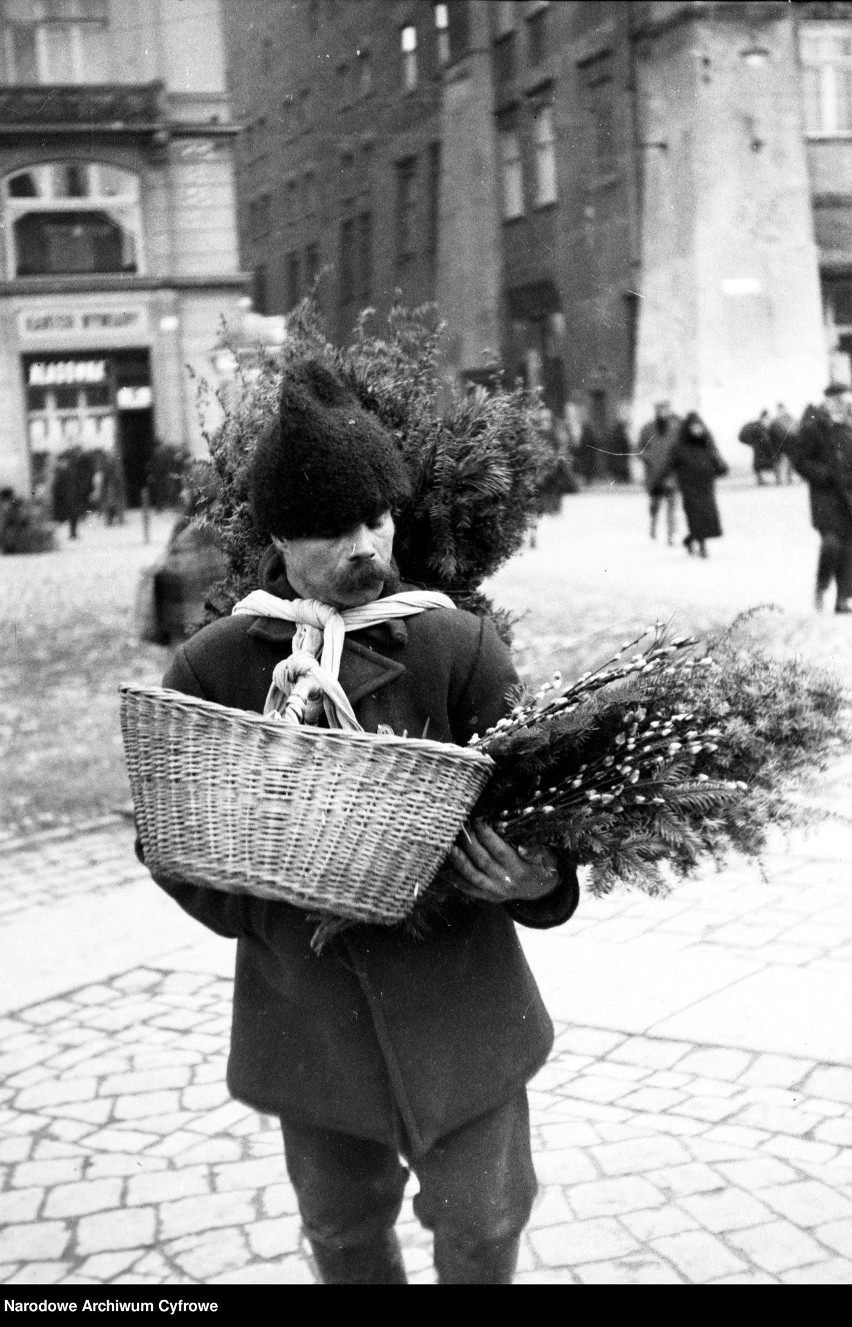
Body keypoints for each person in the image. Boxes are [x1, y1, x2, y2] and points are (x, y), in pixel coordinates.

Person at [137, 359, 579, 1285]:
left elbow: (544, 808)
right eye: (334, 529)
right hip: (309, 1007)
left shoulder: (458, 646)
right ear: (277, 535)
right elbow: (166, 836)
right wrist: (265, 908)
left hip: (461, 1001)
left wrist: (539, 879)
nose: (365, 545)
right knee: (342, 1234)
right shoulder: (216, 666)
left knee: (486, 1220)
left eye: (376, 518)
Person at [791, 384, 852, 613]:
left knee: (848, 548)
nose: (841, 404)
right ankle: (821, 585)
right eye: (836, 400)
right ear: (827, 401)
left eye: (844, 400)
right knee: (832, 544)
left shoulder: (848, 426)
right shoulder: (814, 428)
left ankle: (843, 598)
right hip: (824, 496)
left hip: (848, 496)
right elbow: (799, 460)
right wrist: (823, 474)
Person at [660, 412, 728, 558]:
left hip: (706, 486)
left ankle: (690, 540)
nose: (697, 430)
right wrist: (664, 480)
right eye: (694, 427)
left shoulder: (706, 445)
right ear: (688, 429)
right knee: (695, 516)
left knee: (707, 516)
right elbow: (669, 465)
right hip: (689, 487)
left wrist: (716, 469)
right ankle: (702, 546)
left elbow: (719, 465)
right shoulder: (679, 447)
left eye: (699, 427)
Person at [637, 399, 681, 543]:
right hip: (653, 473)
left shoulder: (676, 428)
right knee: (655, 504)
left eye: (665, 410)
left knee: (671, 503)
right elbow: (639, 449)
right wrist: (647, 457)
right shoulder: (647, 428)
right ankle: (653, 526)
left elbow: (682, 447)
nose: (662, 413)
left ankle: (670, 535)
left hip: (670, 472)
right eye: (660, 410)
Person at [738, 410, 782, 485]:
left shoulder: (756, 426)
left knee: (758, 466)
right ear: (764, 417)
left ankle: (761, 481)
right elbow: (766, 441)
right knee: (772, 463)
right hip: (762, 450)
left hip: (758, 450)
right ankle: (777, 480)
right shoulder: (760, 427)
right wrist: (771, 451)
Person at [769, 403, 798, 486]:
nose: (780, 411)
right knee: (778, 462)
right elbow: (771, 434)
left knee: (790, 462)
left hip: (788, 444)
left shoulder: (789, 418)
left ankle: (789, 478)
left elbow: (795, 429)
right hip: (778, 445)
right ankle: (778, 480)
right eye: (779, 409)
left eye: (781, 409)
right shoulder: (775, 421)